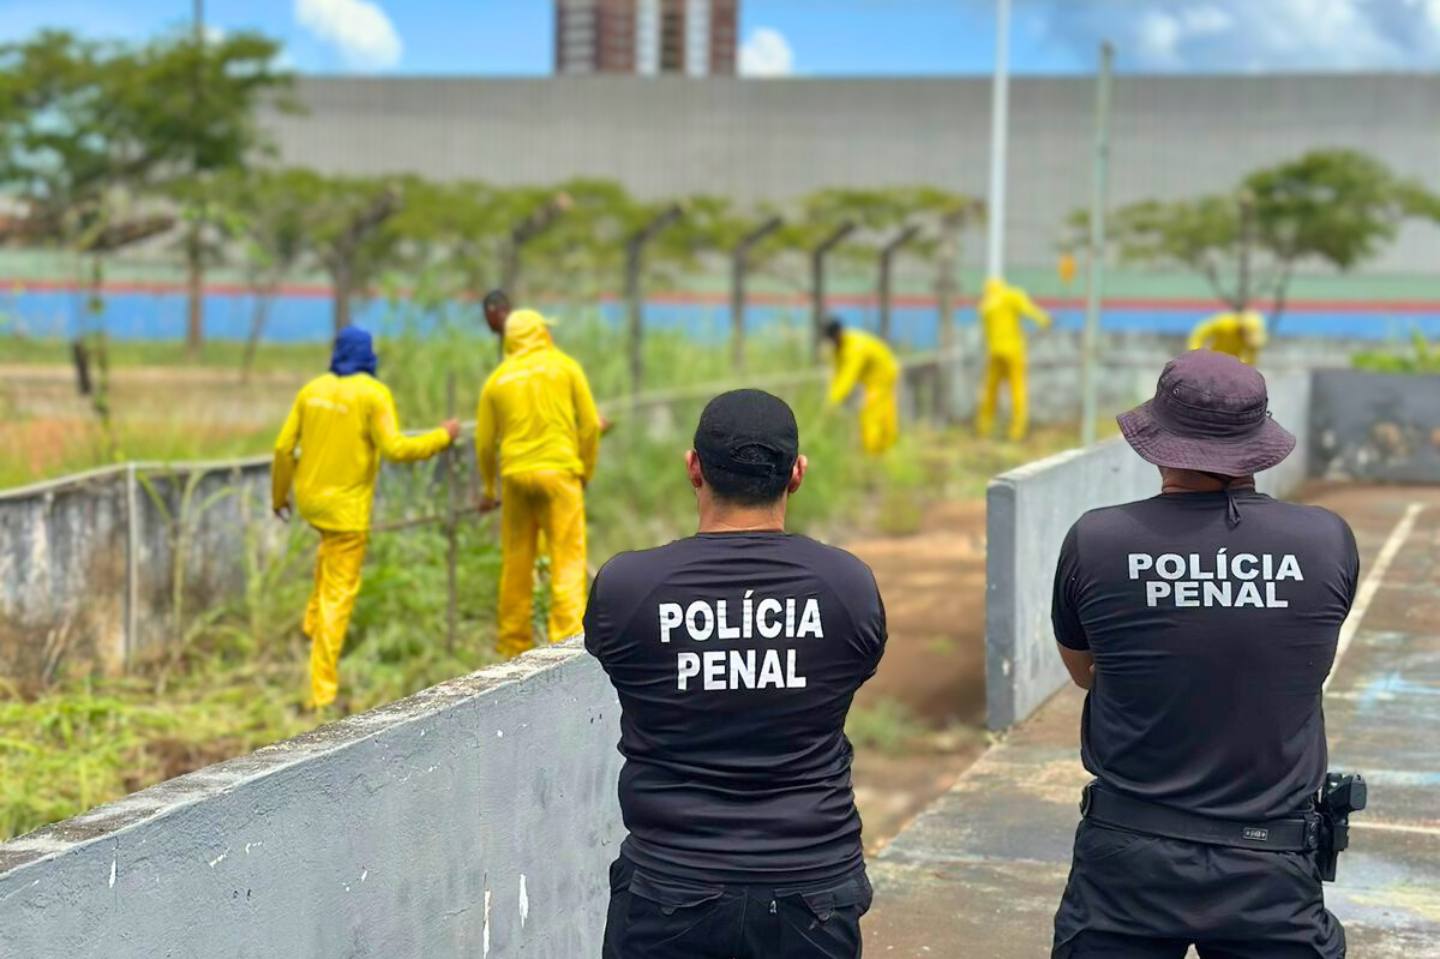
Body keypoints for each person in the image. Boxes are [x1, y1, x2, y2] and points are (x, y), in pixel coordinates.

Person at [1049, 350, 1359, 959]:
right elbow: (1294, 661)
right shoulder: (1326, 540)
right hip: (1270, 863)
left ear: (1159, 441)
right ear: (1258, 443)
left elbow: (1085, 672)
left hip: (1125, 863)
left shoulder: (1097, 539)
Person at [586, 389, 887, 959]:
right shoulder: (847, 587)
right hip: (813, 892)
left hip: (670, 886)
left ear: (693, 468)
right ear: (796, 475)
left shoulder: (626, 589)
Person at [272, 327, 459, 710]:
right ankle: (321, 691)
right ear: (368, 356)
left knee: (327, 553)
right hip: (346, 513)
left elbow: (283, 446)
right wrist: (442, 436)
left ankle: (309, 627)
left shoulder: (312, 391)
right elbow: (395, 448)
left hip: (311, 505)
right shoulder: (374, 395)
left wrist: (279, 496)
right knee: (338, 596)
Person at [477, 308, 601, 659]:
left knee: (517, 562)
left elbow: (485, 443)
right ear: (541, 333)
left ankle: (511, 646)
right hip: (560, 475)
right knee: (567, 559)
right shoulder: (565, 367)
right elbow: (590, 425)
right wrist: (585, 470)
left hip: (515, 477)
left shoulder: (497, 380)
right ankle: (564, 645)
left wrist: (489, 490)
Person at [977, 277, 1052, 441]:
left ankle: (984, 425)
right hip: (1013, 352)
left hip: (995, 352)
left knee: (990, 389)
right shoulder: (1011, 296)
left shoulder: (986, 306)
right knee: (1017, 388)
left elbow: (985, 333)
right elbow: (1028, 309)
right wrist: (1044, 320)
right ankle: (1017, 429)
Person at [824, 317, 899, 456]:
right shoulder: (840, 347)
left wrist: (832, 402)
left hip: (881, 377)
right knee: (884, 410)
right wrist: (831, 396)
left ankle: (873, 452)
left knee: (870, 415)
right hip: (875, 377)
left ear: (838, 334)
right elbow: (837, 374)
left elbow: (847, 378)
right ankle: (887, 447)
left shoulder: (854, 349)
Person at [1189, 309, 1268, 366]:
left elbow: (1250, 362)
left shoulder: (1253, 342)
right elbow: (1200, 333)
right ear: (1242, 328)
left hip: (1231, 365)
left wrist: (1242, 370)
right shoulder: (1225, 323)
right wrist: (1196, 352)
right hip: (1212, 359)